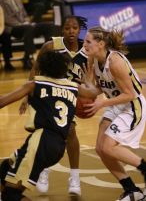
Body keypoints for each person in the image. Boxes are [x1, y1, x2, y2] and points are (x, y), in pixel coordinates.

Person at [0, 48, 97, 201]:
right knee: (6, 167)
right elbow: (93, 93)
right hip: (58, 147)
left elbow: (2, 101)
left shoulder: (34, 84)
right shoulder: (73, 87)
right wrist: (88, 82)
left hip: (41, 142)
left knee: (11, 195)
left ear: (42, 68)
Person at [19, 15, 88, 195]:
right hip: (46, 93)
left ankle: (75, 178)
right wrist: (27, 95)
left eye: (74, 28)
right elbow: (35, 69)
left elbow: (91, 78)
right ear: (62, 30)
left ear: (79, 30)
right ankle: (43, 170)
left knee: (70, 131)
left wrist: (90, 93)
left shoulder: (87, 50)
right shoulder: (51, 46)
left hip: (67, 96)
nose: (71, 31)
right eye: (67, 28)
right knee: (43, 133)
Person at [83, 26, 146, 201]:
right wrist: (76, 89)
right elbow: (97, 89)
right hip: (115, 105)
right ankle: (131, 189)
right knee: (100, 149)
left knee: (108, 147)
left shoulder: (115, 61)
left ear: (101, 44)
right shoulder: (93, 60)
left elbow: (130, 93)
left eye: (88, 41)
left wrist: (102, 102)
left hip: (132, 106)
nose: (84, 44)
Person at [0, 0, 54, 70]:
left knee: (48, 26)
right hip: (11, 28)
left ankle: (47, 56)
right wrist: (22, 24)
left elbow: (24, 14)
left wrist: (26, 21)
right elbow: (5, 18)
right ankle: (27, 57)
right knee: (28, 28)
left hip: (25, 26)